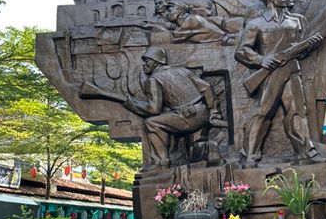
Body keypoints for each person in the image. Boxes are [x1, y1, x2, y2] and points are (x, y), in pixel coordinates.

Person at [79, 46, 223, 168]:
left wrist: (129, 102)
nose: (144, 65)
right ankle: (208, 147)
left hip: (187, 118)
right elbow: (206, 88)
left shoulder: (153, 80)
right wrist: (213, 110)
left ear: (156, 62)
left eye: (147, 61)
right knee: (193, 154)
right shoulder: (182, 70)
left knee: (151, 123)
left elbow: (153, 109)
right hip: (203, 113)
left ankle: (161, 162)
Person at [234, 0, 326, 166]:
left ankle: (306, 152)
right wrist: (261, 59)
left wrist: (310, 45)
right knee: (263, 112)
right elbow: (241, 51)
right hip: (270, 73)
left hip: (292, 71)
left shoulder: (298, 20)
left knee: (298, 112)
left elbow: (303, 50)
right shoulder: (255, 24)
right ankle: (250, 153)